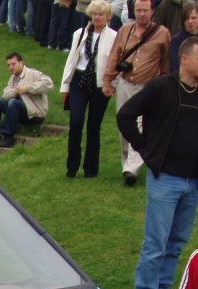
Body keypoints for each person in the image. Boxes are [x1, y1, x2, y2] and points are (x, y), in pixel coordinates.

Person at [117, 36, 198, 289]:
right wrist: (144, 149)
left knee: (177, 241)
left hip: (193, 181)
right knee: (157, 241)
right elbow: (126, 115)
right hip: (165, 178)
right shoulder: (161, 87)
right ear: (184, 59)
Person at [102, 0, 171, 185]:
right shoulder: (125, 30)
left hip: (148, 87)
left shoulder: (162, 33)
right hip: (126, 83)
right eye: (138, 10)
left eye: (145, 10)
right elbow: (115, 56)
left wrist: (164, 86)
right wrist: (108, 80)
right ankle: (126, 163)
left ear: (152, 11)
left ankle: (132, 168)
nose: (141, 14)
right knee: (123, 123)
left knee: (140, 125)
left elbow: (165, 62)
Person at [61, 0, 117, 176]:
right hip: (79, 79)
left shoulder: (114, 37)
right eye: (95, 14)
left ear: (108, 17)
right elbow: (71, 59)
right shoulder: (80, 33)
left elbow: (114, 63)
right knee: (76, 121)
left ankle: (91, 168)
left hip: (100, 82)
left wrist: (111, 84)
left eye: (101, 14)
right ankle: (72, 166)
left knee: (94, 125)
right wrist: (65, 86)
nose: (97, 17)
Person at [0, 52, 54, 147]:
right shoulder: (13, 78)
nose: (11, 67)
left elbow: (49, 84)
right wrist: (16, 91)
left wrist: (27, 88)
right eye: (8, 65)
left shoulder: (33, 73)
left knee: (13, 102)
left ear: (21, 63)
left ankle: (8, 137)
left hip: (36, 115)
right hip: (20, 112)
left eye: (13, 64)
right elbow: (5, 95)